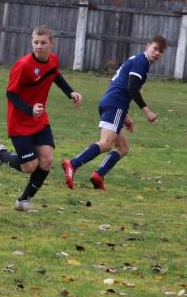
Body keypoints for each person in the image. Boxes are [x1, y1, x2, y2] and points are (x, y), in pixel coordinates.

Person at [0, 26, 82, 211]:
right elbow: (11, 94)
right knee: (30, 166)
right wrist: (29, 110)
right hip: (19, 123)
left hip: (39, 121)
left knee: (47, 160)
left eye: (43, 42)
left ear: (51, 44)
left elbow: (56, 76)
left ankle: (23, 201)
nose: (39, 46)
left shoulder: (53, 60)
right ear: (32, 42)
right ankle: (1, 155)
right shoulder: (23, 66)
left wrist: (71, 92)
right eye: (36, 42)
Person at [62, 35, 166, 190]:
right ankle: (73, 164)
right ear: (148, 46)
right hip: (115, 105)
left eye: (161, 51)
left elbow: (122, 86)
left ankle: (99, 175)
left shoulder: (138, 60)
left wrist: (125, 117)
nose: (157, 53)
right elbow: (132, 88)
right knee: (106, 144)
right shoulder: (142, 62)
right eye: (155, 48)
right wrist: (147, 111)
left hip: (113, 104)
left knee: (123, 147)